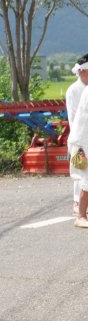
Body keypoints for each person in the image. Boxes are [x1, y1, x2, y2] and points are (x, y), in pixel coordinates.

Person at [65, 54, 88, 214]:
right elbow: (73, 117)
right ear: (82, 71)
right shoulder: (73, 90)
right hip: (80, 136)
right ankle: (77, 203)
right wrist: (78, 141)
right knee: (81, 170)